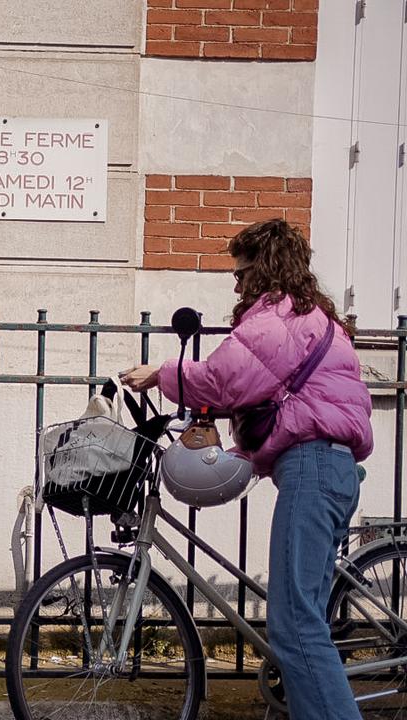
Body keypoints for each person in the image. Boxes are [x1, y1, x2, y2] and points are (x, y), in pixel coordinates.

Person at [120, 218, 373, 720]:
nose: (235, 284)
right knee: (304, 626)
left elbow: (221, 378)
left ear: (265, 269)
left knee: (295, 627)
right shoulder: (311, 316)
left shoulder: (275, 320)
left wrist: (162, 373)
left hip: (313, 470)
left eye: (240, 273)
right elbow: (274, 392)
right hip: (327, 468)